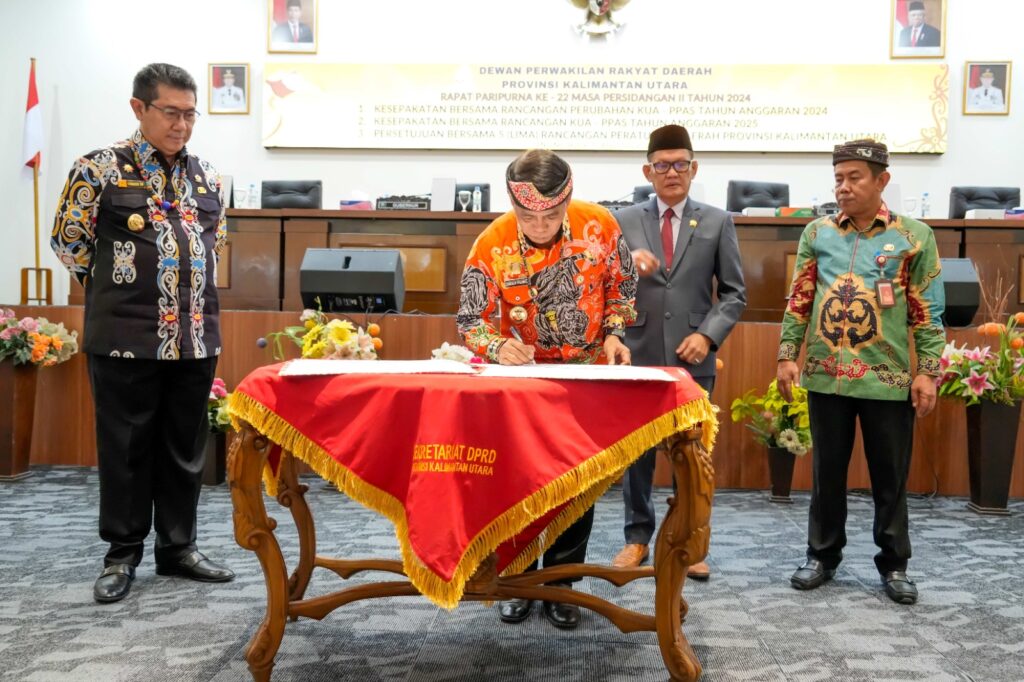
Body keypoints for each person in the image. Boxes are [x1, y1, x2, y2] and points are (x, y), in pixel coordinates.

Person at [51, 63, 235, 604]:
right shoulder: (99, 168)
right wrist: (124, 293)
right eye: (171, 113)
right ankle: (122, 553)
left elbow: (213, 244)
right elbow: (70, 244)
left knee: (185, 448)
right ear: (139, 109)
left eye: (190, 114)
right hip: (125, 337)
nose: (182, 125)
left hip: (196, 335)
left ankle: (178, 548)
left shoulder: (208, 176)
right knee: (127, 447)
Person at [457, 149, 637, 629]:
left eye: (551, 215)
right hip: (521, 380)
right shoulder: (491, 242)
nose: (539, 225)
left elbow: (623, 287)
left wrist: (615, 332)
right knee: (517, 482)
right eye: (527, 216)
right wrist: (496, 347)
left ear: (568, 200)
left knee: (574, 484)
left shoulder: (601, 225)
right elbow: (470, 321)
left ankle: (561, 584)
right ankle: (516, 579)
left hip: (584, 377)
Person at [777, 139, 945, 605]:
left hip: (887, 378)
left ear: (881, 180)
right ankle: (822, 555)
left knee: (890, 478)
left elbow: (927, 312)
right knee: (826, 474)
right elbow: (800, 300)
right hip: (827, 374)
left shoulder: (914, 237)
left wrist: (927, 371)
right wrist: (787, 355)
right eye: (838, 178)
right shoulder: (818, 233)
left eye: (854, 178)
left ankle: (894, 565)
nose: (844, 188)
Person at [611, 124, 747, 580]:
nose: (673, 173)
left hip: (693, 356)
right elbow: (603, 282)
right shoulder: (623, 221)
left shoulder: (716, 221)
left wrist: (708, 336)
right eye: (663, 165)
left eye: (681, 164)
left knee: (693, 454)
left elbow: (733, 293)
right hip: (636, 349)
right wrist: (629, 265)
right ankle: (636, 539)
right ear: (648, 171)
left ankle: (692, 539)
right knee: (637, 457)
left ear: (694, 167)